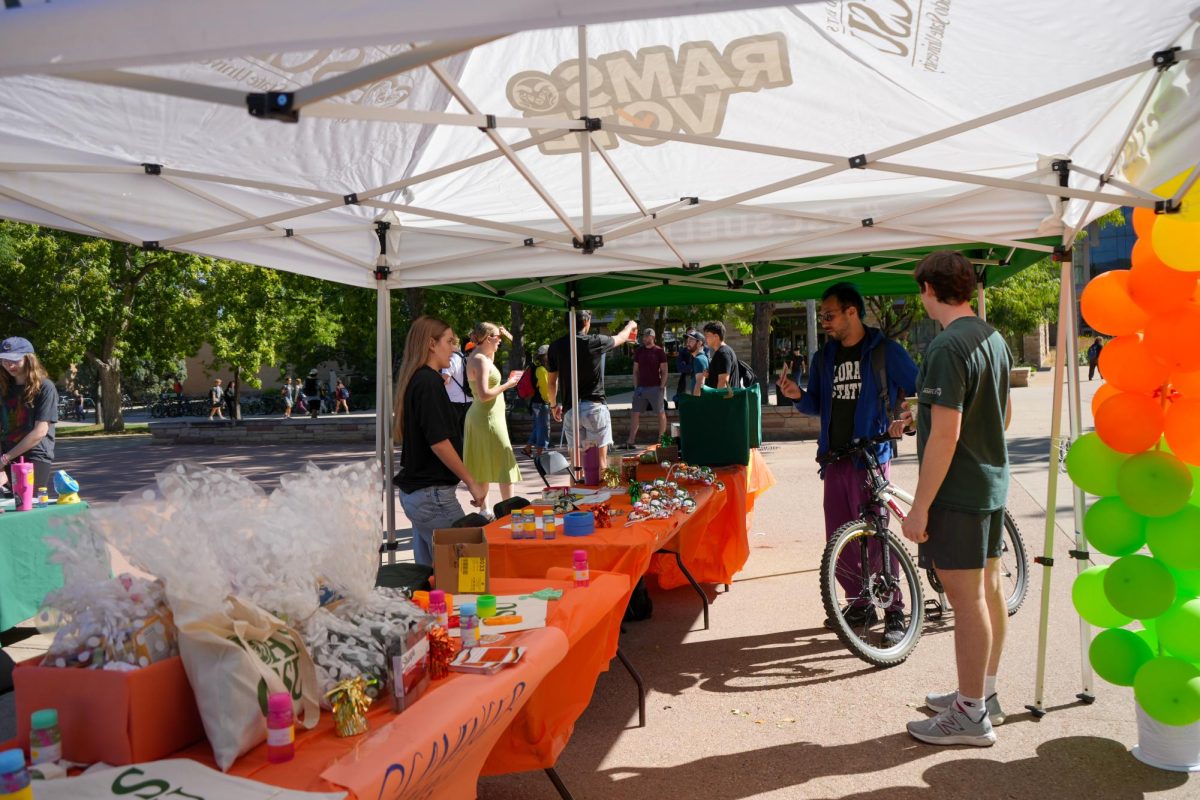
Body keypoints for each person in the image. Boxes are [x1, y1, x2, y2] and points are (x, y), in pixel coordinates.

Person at [896, 251, 1013, 747]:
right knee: (987, 592)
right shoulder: (992, 337)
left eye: (920, 289)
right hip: (988, 483)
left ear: (929, 289)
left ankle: (970, 714)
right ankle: (982, 696)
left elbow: (945, 435)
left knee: (967, 602)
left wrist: (920, 506)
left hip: (959, 493)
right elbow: (1003, 416)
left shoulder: (947, 346)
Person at [776, 282, 918, 646]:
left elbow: (919, 389)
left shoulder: (885, 351)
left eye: (829, 314)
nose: (824, 321)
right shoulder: (824, 357)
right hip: (834, 460)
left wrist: (910, 415)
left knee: (878, 536)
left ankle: (895, 610)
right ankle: (860, 603)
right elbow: (817, 404)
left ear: (852, 312)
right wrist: (797, 396)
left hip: (870, 458)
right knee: (840, 539)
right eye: (822, 315)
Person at [393, 316, 487, 566]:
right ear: (431, 344)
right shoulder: (428, 382)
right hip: (431, 496)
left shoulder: (422, 379)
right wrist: (472, 483)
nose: (455, 348)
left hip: (421, 494)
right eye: (450, 341)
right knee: (465, 569)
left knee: (431, 576)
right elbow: (439, 442)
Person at [547, 311, 638, 471]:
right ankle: (602, 495)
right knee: (600, 465)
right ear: (587, 322)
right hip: (594, 408)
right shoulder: (596, 341)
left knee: (577, 467)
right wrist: (630, 325)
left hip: (571, 410)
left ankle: (575, 493)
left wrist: (554, 406)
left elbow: (551, 383)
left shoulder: (555, 346)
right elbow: (622, 338)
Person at [462, 322, 523, 507]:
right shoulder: (480, 360)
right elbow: (484, 395)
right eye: (498, 338)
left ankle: (489, 510)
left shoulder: (485, 356)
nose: (500, 342)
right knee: (502, 460)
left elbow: (511, 347)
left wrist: (505, 334)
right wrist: (508, 384)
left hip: (489, 417)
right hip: (485, 417)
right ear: (488, 338)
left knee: (485, 462)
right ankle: (503, 510)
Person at [0, 337, 59, 494]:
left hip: (35, 456)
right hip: (6, 455)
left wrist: (4, 459)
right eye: (4, 359)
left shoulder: (45, 387)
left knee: (26, 505)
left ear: (29, 359)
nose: (9, 365)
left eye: (14, 360)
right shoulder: (4, 387)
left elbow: (40, 432)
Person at [625, 327, 668, 448]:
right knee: (635, 413)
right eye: (644, 336)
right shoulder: (639, 351)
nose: (644, 338)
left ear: (653, 337)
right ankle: (631, 441)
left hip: (655, 387)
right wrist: (636, 387)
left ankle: (661, 439)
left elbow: (664, 371)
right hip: (640, 389)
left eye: (647, 336)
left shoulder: (659, 352)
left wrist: (661, 387)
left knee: (661, 413)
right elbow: (635, 371)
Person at [521, 344, 552, 458]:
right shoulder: (542, 369)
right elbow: (544, 389)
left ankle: (528, 448)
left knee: (538, 427)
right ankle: (539, 455)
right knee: (543, 428)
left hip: (535, 402)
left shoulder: (534, 367)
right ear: (545, 356)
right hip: (541, 403)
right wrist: (549, 401)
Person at [695, 321, 739, 393]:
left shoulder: (723, 353)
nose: (705, 339)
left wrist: (717, 401)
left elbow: (723, 382)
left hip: (723, 402)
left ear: (716, 336)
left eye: (707, 336)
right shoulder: (723, 352)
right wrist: (710, 375)